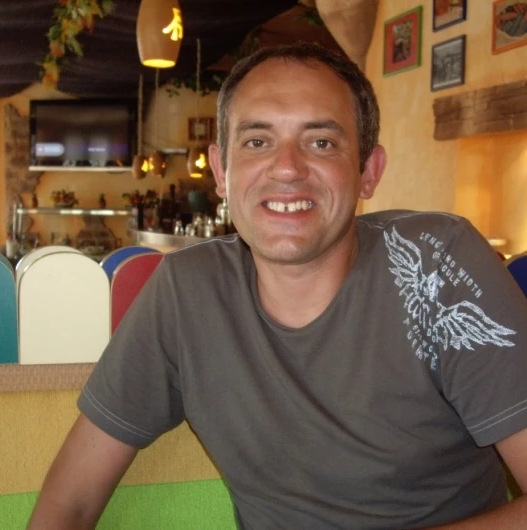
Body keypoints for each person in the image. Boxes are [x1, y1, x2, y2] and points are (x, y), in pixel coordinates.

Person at [27, 42, 527, 529]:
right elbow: (70, 504)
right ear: (221, 171)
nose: (287, 168)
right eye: (257, 141)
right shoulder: (187, 292)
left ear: (368, 172)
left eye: (321, 142)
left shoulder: (437, 265)